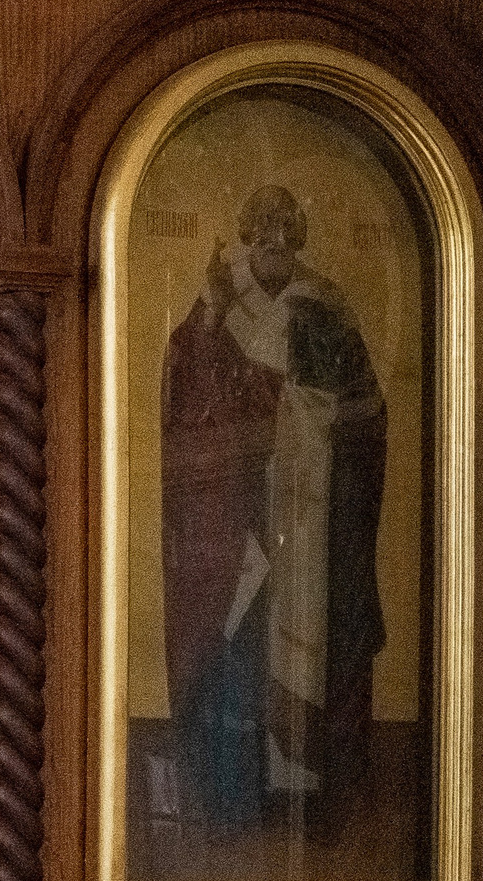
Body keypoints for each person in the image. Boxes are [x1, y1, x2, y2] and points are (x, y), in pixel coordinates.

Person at [158, 183, 387, 843]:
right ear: (246, 233)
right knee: (236, 639)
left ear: (300, 237)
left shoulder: (325, 305)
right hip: (235, 512)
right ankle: (235, 796)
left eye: (287, 230)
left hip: (313, 510)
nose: (275, 241)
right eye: (263, 229)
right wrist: (210, 321)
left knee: (318, 635)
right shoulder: (219, 300)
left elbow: (368, 409)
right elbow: (185, 392)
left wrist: (315, 418)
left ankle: (313, 798)